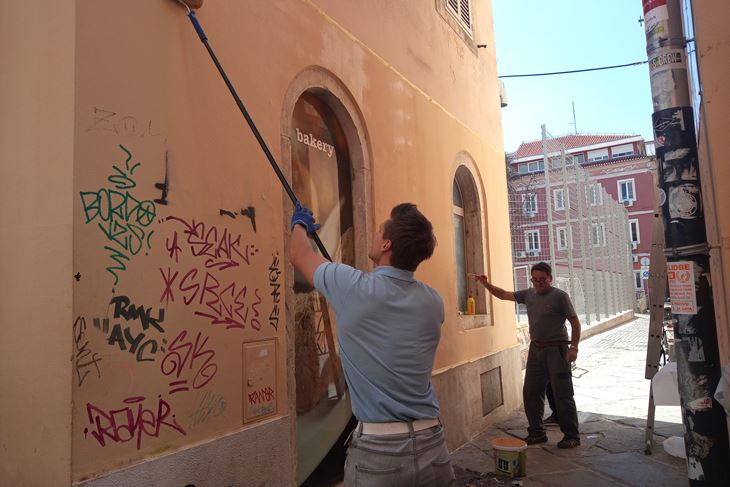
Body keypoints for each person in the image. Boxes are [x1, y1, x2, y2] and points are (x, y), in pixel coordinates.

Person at [289, 202, 455, 486]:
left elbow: (299, 253)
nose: (375, 236)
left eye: (379, 232)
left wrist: (299, 224)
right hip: (433, 447)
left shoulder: (352, 286)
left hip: (380, 454)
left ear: (387, 244)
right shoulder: (433, 302)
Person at [473, 262, 581, 448]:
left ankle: (571, 435)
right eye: (535, 280)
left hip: (557, 350)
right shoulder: (528, 294)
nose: (538, 283)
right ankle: (537, 432)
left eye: (542, 280)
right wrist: (485, 284)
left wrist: (574, 348)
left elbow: (575, 322)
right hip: (536, 350)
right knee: (531, 392)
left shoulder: (559, 296)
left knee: (562, 394)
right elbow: (504, 294)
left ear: (550, 279)